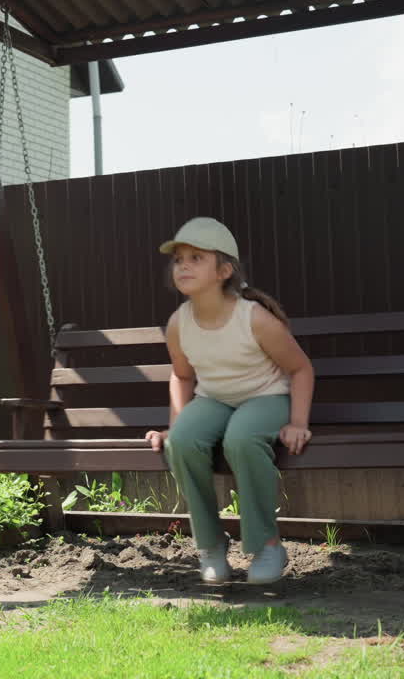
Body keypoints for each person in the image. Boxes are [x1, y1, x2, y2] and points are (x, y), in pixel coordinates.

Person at [146, 217, 315, 584]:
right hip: (214, 399)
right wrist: (175, 425)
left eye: (196, 258)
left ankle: (267, 545)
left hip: (266, 397)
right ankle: (210, 545)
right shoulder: (178, 323)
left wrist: (298, 422)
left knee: (241, 439)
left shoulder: (254, 318)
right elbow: (183, 376)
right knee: (182, 442)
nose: (183, 266)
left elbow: (301, 369)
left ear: (224, 271)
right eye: (178, 260)